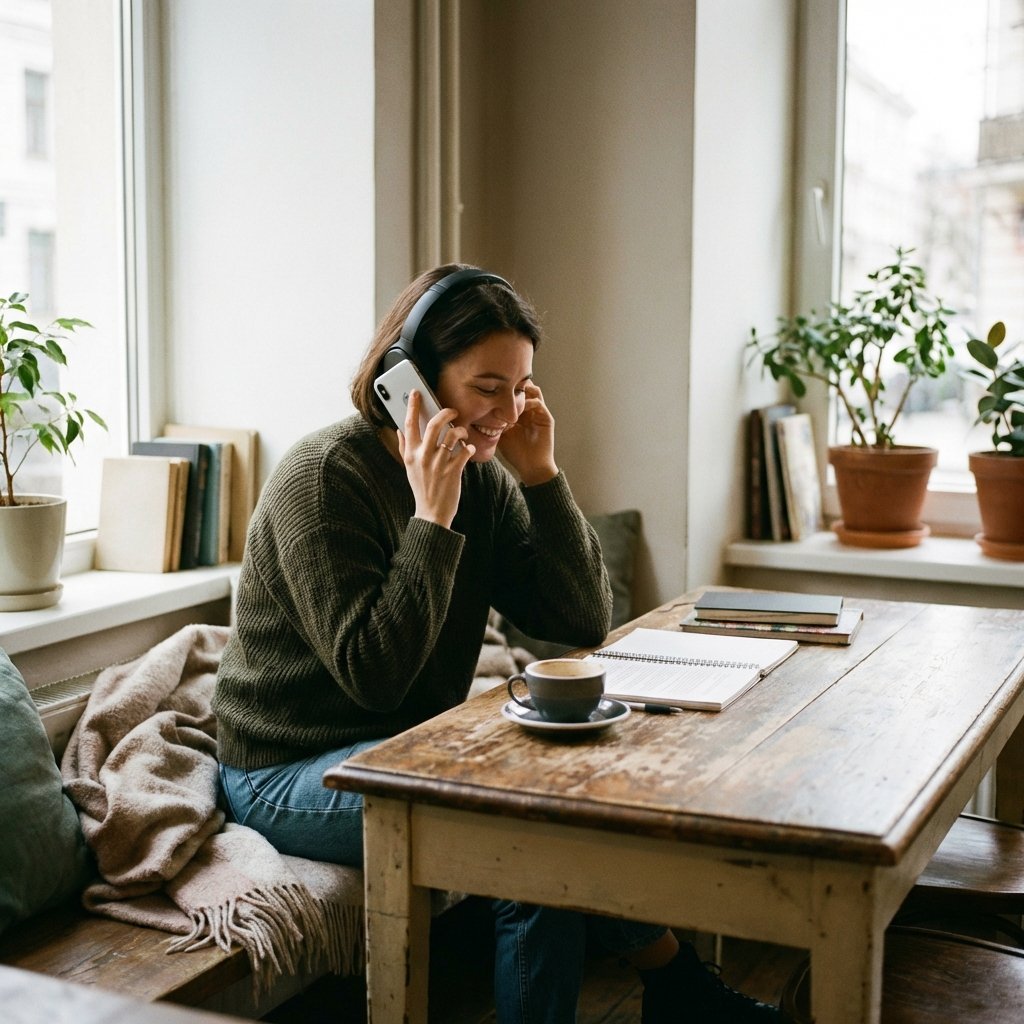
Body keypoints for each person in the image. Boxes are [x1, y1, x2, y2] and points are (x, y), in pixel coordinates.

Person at [212, 265, 781, 1023]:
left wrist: (542, 475)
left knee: (567, 801)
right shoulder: (323, 480)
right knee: (527, 842)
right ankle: (685, 992)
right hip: (286, 770)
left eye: (522, 387)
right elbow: (372, 678)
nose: (508, 411)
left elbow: (581, 617)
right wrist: (429, 520)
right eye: (489, 387)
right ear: (408, 378)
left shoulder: (484, 478)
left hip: (401, 747)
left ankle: (680, 991)